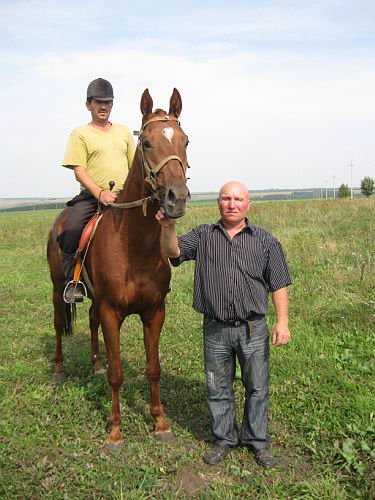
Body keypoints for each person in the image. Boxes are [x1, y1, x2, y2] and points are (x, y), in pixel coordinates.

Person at [156, 181, 292, 468]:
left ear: (248, 205)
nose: (232, 204)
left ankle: (257, 441)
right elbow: (172, 252)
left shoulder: (266, 241)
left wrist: (283, 322)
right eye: (226, 198)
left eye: (238, 199)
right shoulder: (204, 235)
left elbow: (278, 284)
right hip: (215, 328)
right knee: (218, 388)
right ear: (218, 203)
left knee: (257, 387)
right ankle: (224, 440)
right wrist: (167, 226)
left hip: (252, 329)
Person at [57, 78, 135, 301]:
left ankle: (156, 275)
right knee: (72, 230)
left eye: (108, 102)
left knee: (153, 223)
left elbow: (134, 166)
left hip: (124, 197)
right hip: (93, 197)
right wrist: (100, 193)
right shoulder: (80, 134)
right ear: (88, 105)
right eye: (98, 102)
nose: (103, 106)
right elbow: (79, 171)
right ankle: (73, 280)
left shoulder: (123, 132)